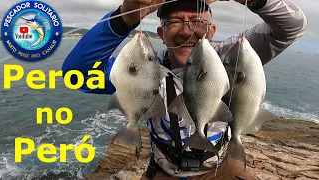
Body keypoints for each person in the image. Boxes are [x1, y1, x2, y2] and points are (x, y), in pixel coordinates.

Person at [62, 0, 307, 179]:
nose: (188, 31)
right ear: (161, 33)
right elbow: (76, 74)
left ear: (212, 31)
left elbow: (292, 27)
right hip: (164, 169)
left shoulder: (233, 57)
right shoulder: (145, 67)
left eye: (198, 21)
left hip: (222, 165)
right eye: (176, 22)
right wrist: (124, 17)